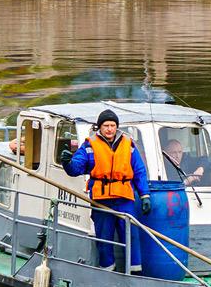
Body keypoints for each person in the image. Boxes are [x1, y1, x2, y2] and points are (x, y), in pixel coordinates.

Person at [61, 109, 151, 271]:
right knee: (104, 238)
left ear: (117, 127)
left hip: (125, 199)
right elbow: (76, 169)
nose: (109, 129)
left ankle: (135, 272)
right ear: (99, 127)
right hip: (101, 200)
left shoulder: (128, 144)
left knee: (131, 236)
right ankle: (108, 271)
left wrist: (144, 195)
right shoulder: (90, 145)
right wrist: (67, 163)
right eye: (106, 125)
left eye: (112, 125)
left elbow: (139, 171)